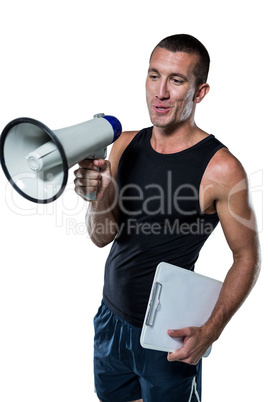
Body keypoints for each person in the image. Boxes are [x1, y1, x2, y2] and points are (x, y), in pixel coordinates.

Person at [74, 34, 260, 402]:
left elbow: (247, 257)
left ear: (200, 92)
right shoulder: (124, 144)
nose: (160, 92)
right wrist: (98, 195)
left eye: (176, 80)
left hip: (168, 333)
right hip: (110, 318)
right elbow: (102, 237)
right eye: (153, 76)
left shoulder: (222, 169)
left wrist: (211, 330)